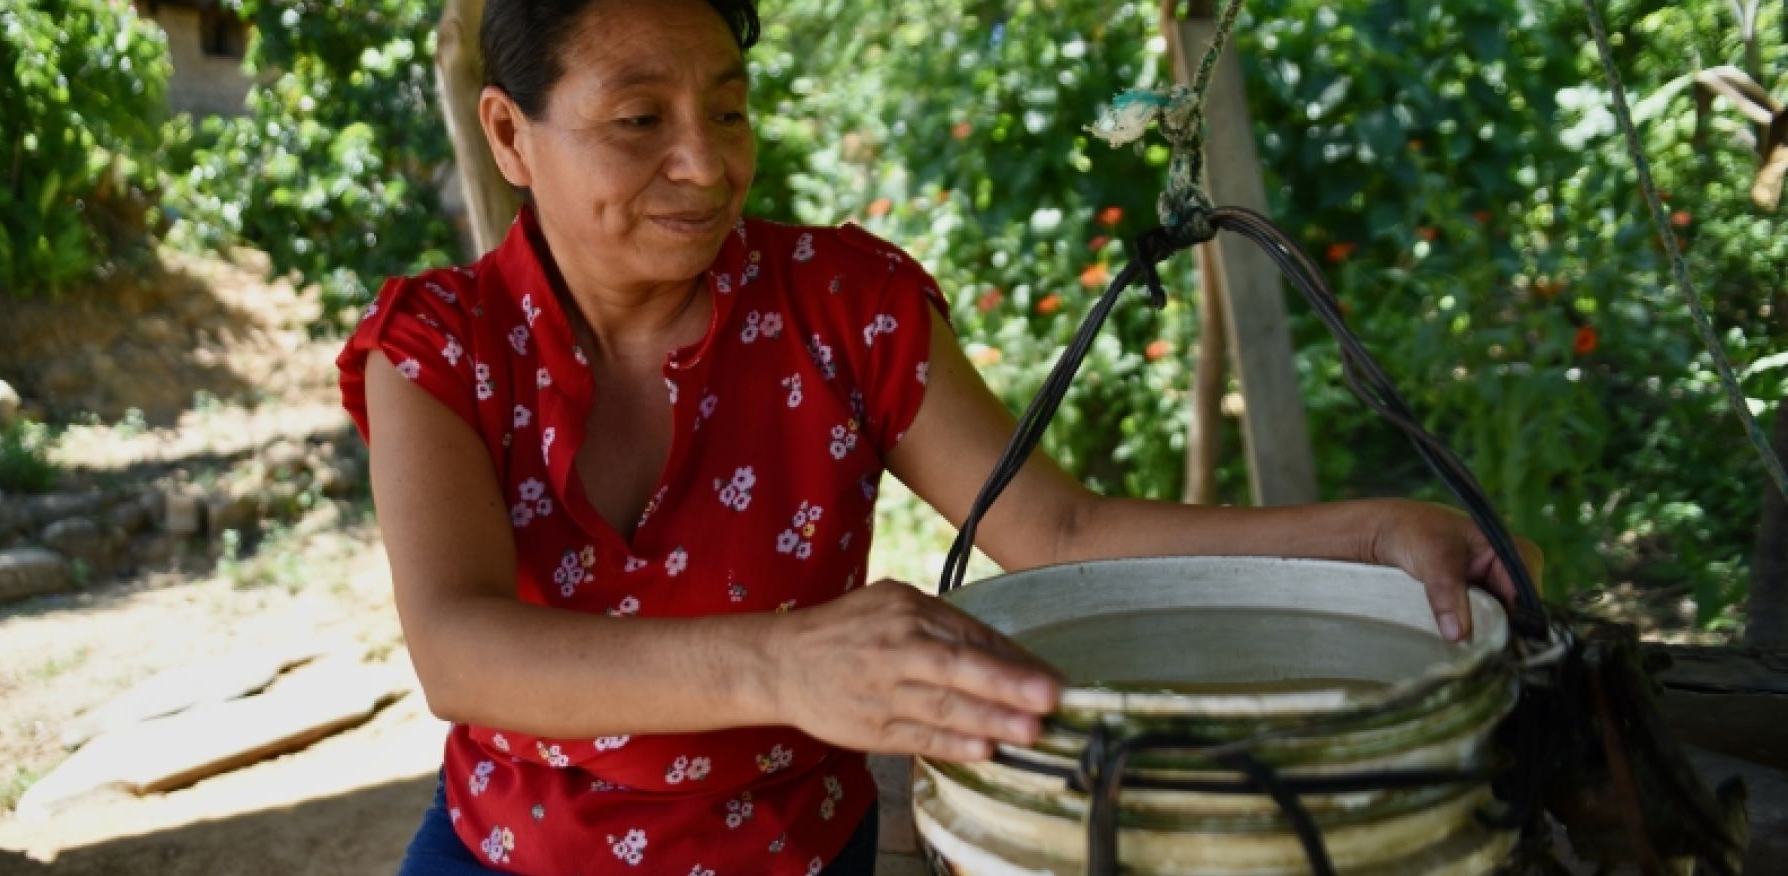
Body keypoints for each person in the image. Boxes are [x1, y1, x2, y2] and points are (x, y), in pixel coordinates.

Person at [336, 0, 1536, 873]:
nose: (706, 162)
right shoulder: (438, 346)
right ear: (507, 133)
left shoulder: (841, 305)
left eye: (732, 107)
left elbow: (1058, 531)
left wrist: (1375, 532)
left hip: (796, 853)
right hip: (510, 850)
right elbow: (460, 648)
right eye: (640, 118)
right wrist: (783, 661)